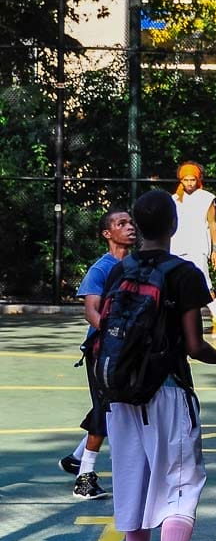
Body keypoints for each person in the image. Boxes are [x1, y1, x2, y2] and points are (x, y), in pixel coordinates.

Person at [106, 189, 216, 541]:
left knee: (135, 486)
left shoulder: (120, 270)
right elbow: (193, 344)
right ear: (173, 226)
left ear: (139, 228)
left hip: (122, 397)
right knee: (181, 487)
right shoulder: (183, 273)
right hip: (166, 391)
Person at [59, 209, 138, 500]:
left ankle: (76, 458)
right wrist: (115, 336)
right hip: (104, 350)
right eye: (122, 224)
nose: (130, 227)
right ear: (108, 234)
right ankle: (84, 478)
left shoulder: (138, 264)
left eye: (131, 222)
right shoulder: (101, 268)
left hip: (131, 347)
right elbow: (91, 312)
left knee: (113, 403)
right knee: (107, 407)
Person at [169, 161, 216, 338]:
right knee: (178, 284)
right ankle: (180, 322)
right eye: (186, 180)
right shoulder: (174, 199)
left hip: (198, 246)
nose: (189, 183)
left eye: (192, 179)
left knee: (202, 281)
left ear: (198, 179)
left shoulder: (206, 198)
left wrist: (215, 250)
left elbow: (212, 223)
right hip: (177, 245)